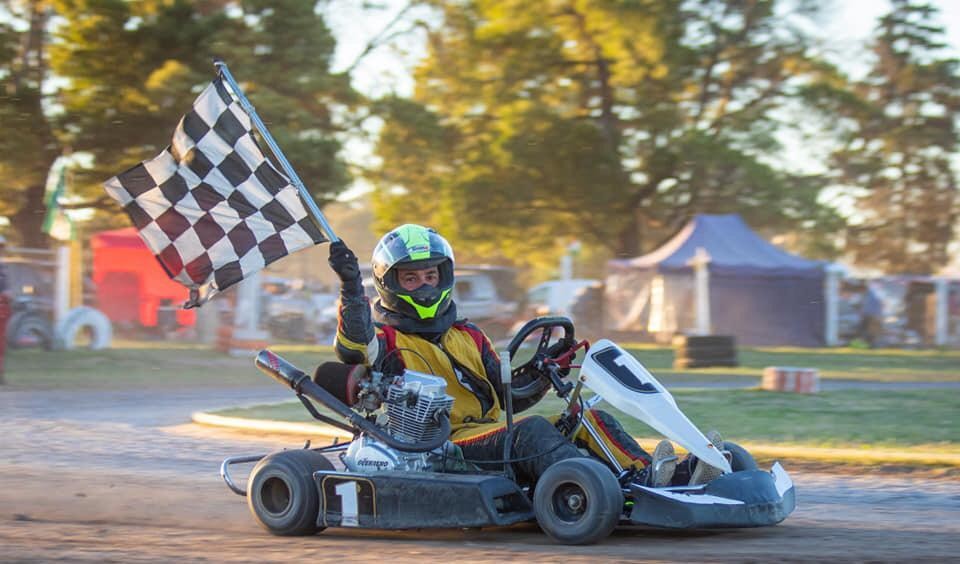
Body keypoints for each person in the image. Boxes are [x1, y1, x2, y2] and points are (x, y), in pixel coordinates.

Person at [329, 224, 717, 486]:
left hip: (490, 432)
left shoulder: (468, 334)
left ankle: (659, 479)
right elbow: (353, 346)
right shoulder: (386, 339)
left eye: (430, 276)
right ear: (389, 283)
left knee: (586, 417)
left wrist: (544, 367)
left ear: (443, 276)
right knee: (531, 432)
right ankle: (586, 490)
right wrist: (350, 288)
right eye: (411, 278)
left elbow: (509, 396)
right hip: (440, 447)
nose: (424, 285)